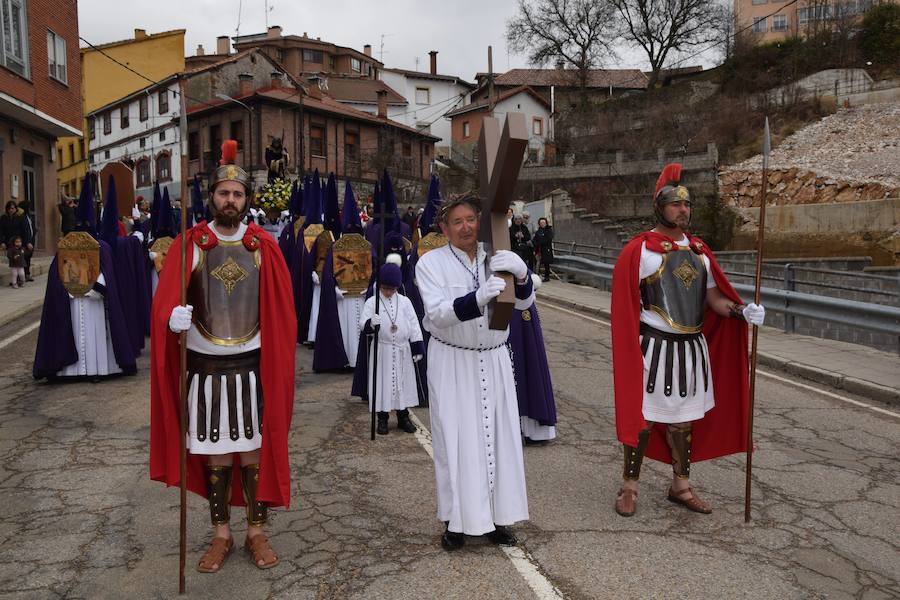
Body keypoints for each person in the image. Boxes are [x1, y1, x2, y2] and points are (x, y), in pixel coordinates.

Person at [150, 140, 297, 572]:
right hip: (206, 370)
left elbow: (282, 310)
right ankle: (221, 535)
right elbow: (164, 304)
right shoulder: (191, 245)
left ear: (246, 200)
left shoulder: (262, 247)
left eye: (237, 194)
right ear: (211, 197)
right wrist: (169, 319)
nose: (229, 200)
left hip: (251, 368)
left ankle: (255, 531)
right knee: (214, 453)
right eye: (223, 193)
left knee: (252, 451)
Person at [611, 163, 766, 518]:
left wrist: (742, 312)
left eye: (687, 204)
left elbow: (714, 300)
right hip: (654, 348)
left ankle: (680, 486)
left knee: (683, 422)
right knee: (645, 419)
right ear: (660, 207)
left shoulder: (700, 252)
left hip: (691, 349)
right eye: (676, 204)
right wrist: (631, 352)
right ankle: (629, 487)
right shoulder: (641, 251)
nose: (684, 209)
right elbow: (625, 308)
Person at [416, 193, 536, 550]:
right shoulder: (431, 264)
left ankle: (499, 519)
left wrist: (523, 272)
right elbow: (437, 313)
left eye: (471, 219)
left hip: (495, 357)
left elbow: (527, 302)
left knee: (500, 440)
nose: (466, 227)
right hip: (454, 360)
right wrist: (478, 298)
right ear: (444, 227)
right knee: (455, 441)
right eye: (457, 221)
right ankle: (456, 522)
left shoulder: (495, 256)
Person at [362, 262, 424, 435]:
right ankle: (383, 418)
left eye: (392, 289)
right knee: (383, 384)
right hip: (383, 350)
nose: (388, 292)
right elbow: (362, 326)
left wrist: (417, 347)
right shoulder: (372, 302)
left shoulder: (405, 302)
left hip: (402, 349)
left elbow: (414, 324)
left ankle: (403, 417)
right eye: (385, 288)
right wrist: (370, 324)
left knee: (402, 384)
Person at [1, 201, 33, 280]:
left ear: (15, 208)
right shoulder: (3, 218)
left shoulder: (20, 217)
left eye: (12, 208)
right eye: (9, 208)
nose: (11, 210)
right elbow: (1, 231)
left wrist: (28, 242)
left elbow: (26, 230)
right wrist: (2, 242)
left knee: (19, 260)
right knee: (12, 260)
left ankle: (20, 278)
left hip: (19, 243)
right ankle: (15, 278)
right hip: (9, 243)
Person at [532, 217, 554, 282]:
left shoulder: (549, 230)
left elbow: (549, 239)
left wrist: (540, 242)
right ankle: (537, 275)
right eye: (541, 223)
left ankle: (547, 277)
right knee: (537, 263)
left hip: (546, 249)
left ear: (546, 223)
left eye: (543, 223)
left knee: (546, 263)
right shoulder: (538, 231)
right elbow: (535, 239)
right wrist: (536, 243)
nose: (542, 224)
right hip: (539, 249)